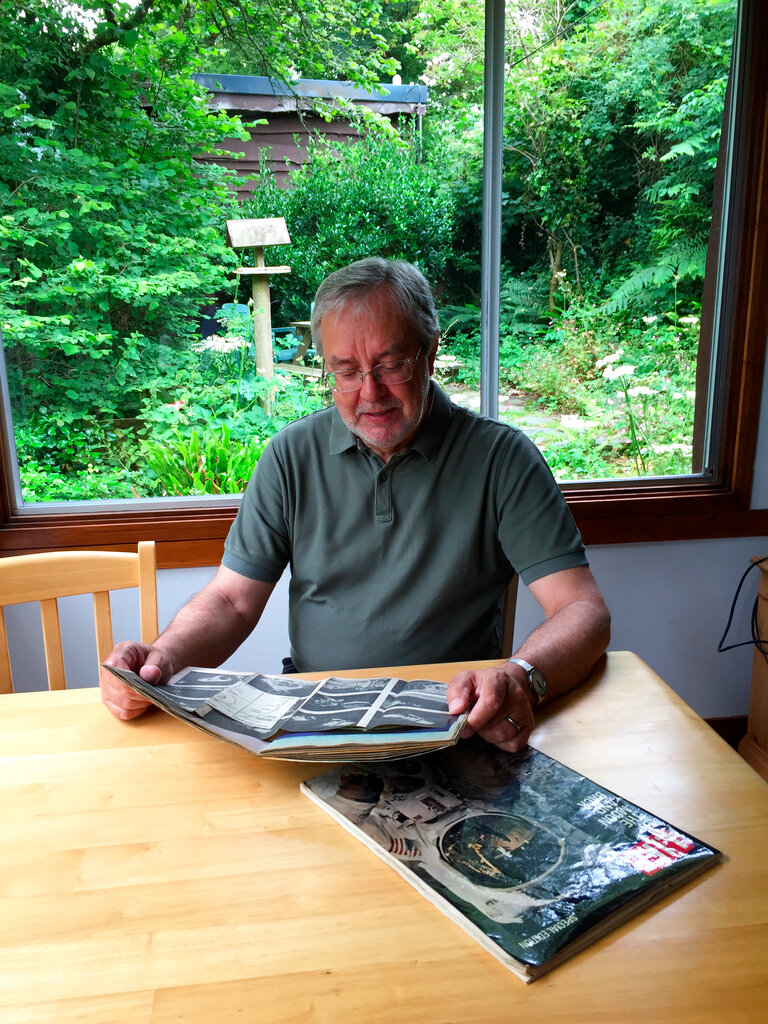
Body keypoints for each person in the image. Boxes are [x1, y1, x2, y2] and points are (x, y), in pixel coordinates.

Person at [100, 258, 610, 752]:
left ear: (430, 353)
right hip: (308, 723)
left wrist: (519, 676)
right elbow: (233, 601)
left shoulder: (502, 458)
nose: (371, 393)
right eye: (346, 371)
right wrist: (162, 660)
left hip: (453, 724)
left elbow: (583, 611)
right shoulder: (290, 455)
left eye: (390, 365)